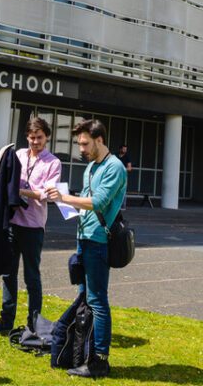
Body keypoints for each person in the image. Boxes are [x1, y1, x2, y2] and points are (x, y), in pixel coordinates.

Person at [47, 119, 127, 379]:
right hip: (83, 237)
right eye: (79, 144)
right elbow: (84, 200)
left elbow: (99, 202)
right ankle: (82, 352)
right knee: (85, 299)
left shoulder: (115, 167)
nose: (81, 149)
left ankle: (100, 361)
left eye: (85, 144)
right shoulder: (91, 167)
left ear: (99, 140)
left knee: (97, 301)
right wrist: (66, 203)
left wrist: (64, 197)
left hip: (99, 242)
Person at [0, 115, 61, 334]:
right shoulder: (18, 155)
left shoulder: (53, 162)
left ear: (47, 137)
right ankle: (6, 321)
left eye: (39, 137)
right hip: (12, 223)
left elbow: (46, 194)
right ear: (26, 136)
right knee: (8, 274)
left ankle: (34, 323)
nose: (35, 142)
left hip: (33, 226)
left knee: (31, 276)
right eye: (32, 137)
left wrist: (19, 191)